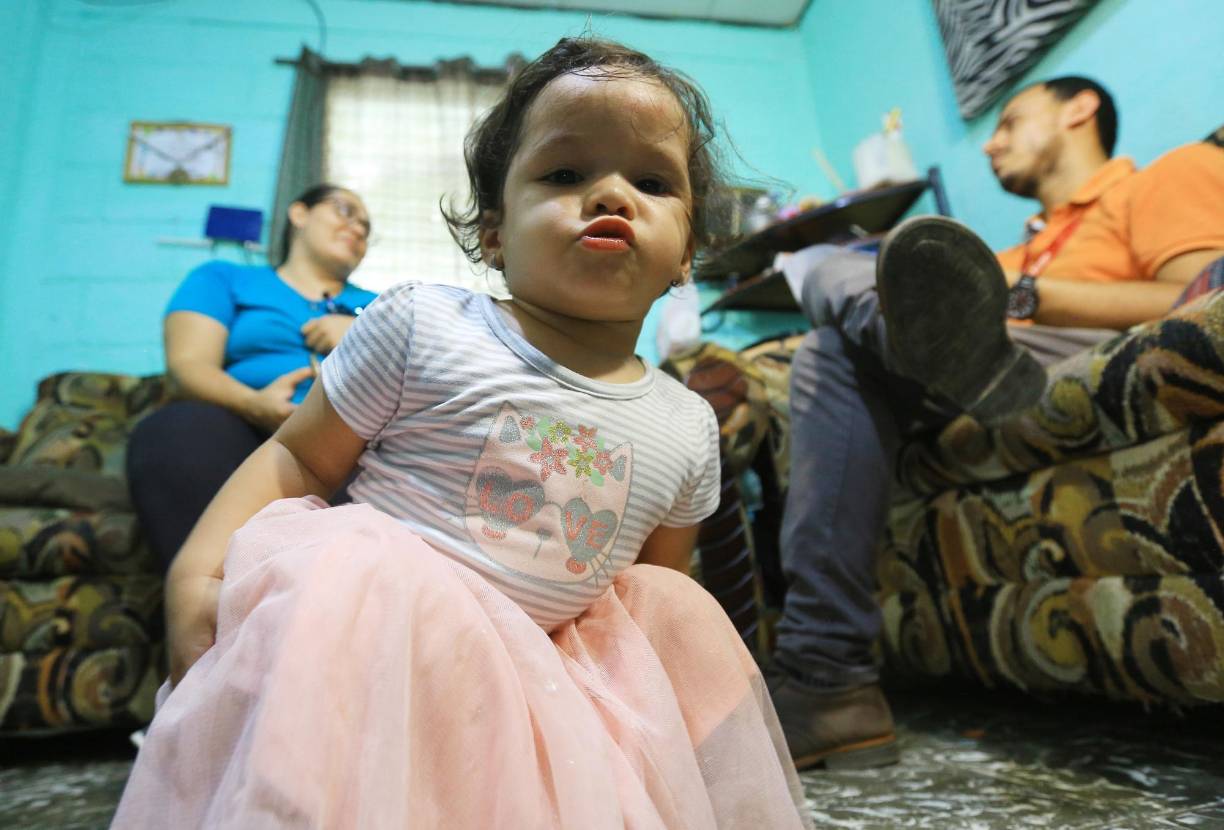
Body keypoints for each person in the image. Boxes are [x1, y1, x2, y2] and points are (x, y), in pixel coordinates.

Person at [111, 37, 811, 828]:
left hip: (550, 687)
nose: (612, 194)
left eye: (651, 182)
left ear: (686, 253)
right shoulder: (423, 324)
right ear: (494, 231)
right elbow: (299, 459)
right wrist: (196, 573)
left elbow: (647, 594)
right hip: (384, 656)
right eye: (564, 174)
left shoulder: (686, 423)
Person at [766, 76, 1224, 770]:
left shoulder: (1164, 177)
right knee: (829, 294)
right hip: (1000, 360)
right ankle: (827, 677)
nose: (990, 144)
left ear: (1080, 109)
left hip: (1088, 351)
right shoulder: (1014, 250)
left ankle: (825, 678)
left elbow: (1196, 298)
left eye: (1009, 121)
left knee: (856, 307)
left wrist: (1022, 295)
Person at [126, 184, 378, 573]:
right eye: (345, 211)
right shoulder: (224, 278)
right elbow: (188, 365)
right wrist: (254, 404)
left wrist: (361, 334)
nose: (358, 227)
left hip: (349, 440)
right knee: (175, 430)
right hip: (242, 424)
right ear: (299, 214)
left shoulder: (381, 307)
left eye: (366, 225)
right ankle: (212, 590)